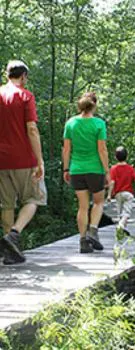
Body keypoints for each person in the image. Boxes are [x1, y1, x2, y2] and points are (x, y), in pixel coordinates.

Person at [0, 60, 46, 265]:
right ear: (24, 76)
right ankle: (14, 234)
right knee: (34, 199)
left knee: (6, 204)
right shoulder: (25, 96)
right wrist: (40, 160)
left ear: (6, 75)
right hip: (23, 158)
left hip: (1, 160)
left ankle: (11, 253)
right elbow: (32, 129)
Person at [63, 92, 110, 253]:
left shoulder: (71, 123)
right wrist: (107, 171)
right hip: (95, 169)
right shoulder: (99, 124)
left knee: (82, 207)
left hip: (76, 169)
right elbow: (102, 149)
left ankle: (83, 241)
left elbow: (67, 149)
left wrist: (66, 168)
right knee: (98, 202)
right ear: (94, 105)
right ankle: (93, 230)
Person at [107, 146, 135, 239]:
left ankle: (121, 229)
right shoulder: (130, 168)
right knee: (126, 213)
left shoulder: (113, 168)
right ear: (127, 156)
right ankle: (121, 227)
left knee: (119, 213)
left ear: (115, 157)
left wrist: (109, 195)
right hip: (128, 194)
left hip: (118, 194)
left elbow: (112, 182)